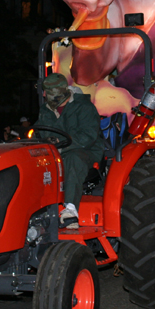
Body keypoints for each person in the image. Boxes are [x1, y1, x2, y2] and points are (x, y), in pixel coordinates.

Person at [37, 73, 105, 229]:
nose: (44, 95)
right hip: (55, 152)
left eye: (48, 93)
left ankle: (70, 210)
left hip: (85, 151)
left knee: (72, 159)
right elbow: (40, 131)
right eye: (45, 92)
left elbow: (87, 136)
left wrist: (60, 144)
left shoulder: (84, 107)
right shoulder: (45, 110)